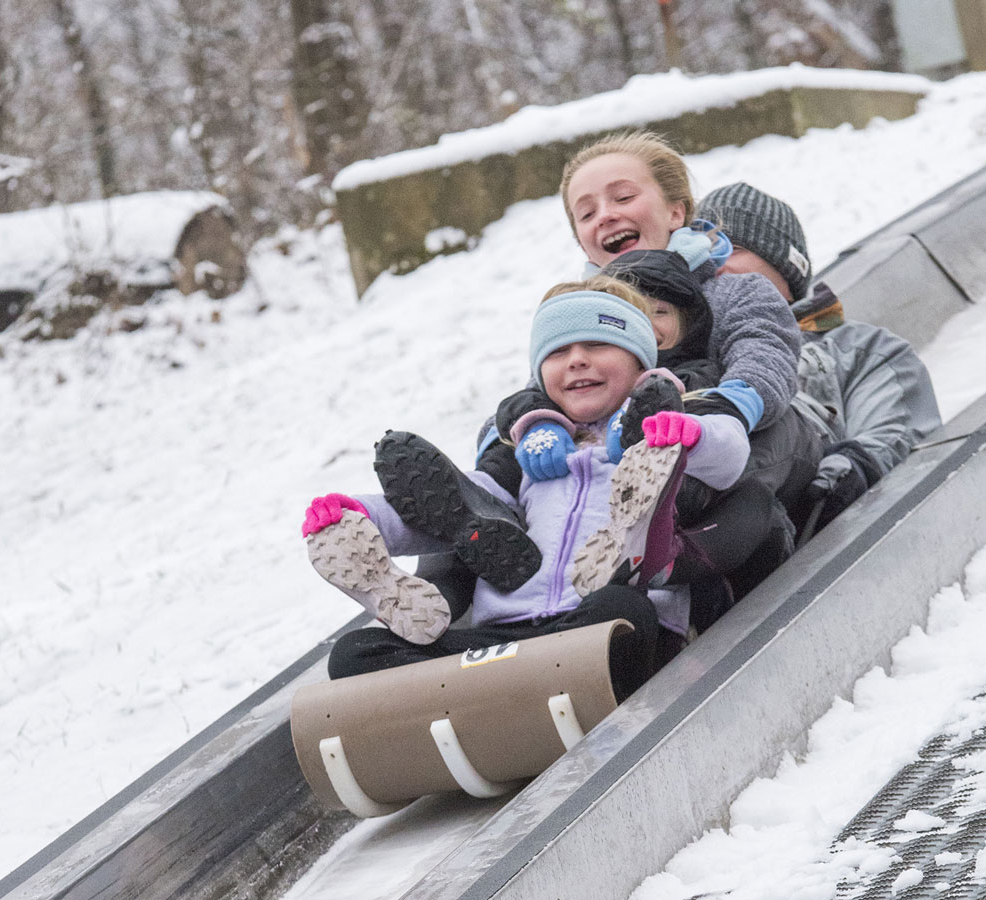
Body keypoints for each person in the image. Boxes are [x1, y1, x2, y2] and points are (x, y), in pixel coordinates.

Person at [302, 285, 752, 698]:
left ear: (640, 362)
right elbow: (459, 504)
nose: (576, 359)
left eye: (597, 345)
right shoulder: (528, 452)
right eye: (558, 352)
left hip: (601, 627)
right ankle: (471, 697)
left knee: (620, 606)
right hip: (508, 638)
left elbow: (731, 454)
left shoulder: (664, 433)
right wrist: (360, 516)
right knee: (356, 652)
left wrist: (686, 434)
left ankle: (483, 695)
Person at [696, 182, 942, 535]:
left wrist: (852, 468)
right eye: (700, 254)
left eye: (730, 249)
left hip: (808, 516)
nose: (712, 265)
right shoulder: (676, 354)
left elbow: (896, 428)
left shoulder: (861, 348)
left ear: (786, 268)